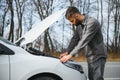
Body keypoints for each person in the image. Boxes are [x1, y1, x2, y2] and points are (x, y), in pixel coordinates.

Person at [60, 6, 108, 80]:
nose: (71, 24)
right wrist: (67, 52)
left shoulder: (92, 22)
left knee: (97, 78)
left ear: (76, 16)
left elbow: (84, 40)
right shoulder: (79, 26)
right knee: (92, 78)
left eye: (72, 21)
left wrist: (71, 55)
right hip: (90, 56)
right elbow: (74, 39)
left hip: (98, 55)